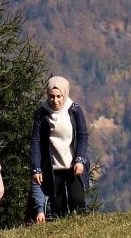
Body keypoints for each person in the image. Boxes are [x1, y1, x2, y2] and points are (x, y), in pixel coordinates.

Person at [31, 75, 89, 222]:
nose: (55, 100)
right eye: (51, 96)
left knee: (77, 202)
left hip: (72, 166)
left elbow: (82, 136)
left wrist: (80, 159)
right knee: (58, 207)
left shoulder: (74, 110)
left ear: (65, 94)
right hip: (52, 168)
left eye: (59, 96)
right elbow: (36, 142)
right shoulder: (41, 114)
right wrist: (36, 168)